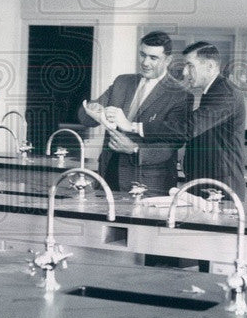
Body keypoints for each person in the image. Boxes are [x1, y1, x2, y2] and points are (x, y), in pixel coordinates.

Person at [77, 31, 191, 195]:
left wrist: (135, 149)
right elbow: (86, 119)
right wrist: (91, 109)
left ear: (168, 60)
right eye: (142, 55)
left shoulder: (179, 94)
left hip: (148, 182)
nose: (145, 62)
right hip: (109, 171)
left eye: (153, 58)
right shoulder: (122, 82)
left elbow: (173, 142)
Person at [180, 41, 246, 200]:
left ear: (210, 66)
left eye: (190, 65)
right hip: (207, 183)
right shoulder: (213, 91)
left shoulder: (225, 93)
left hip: (220, 187)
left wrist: (136, 127)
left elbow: (190, 128)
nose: (184, 72)